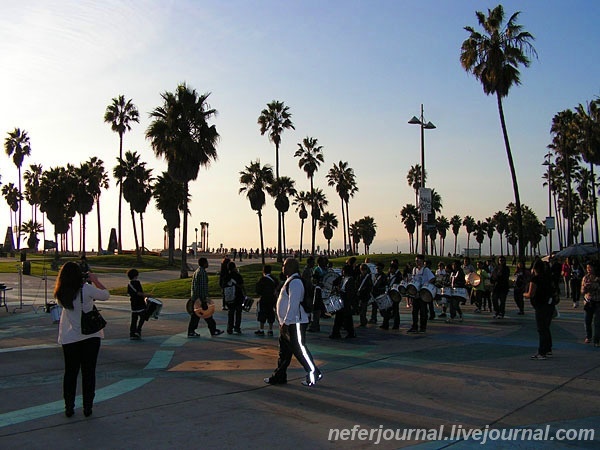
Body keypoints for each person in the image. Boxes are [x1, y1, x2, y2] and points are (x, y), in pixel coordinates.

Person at [55, 261, 109, 418]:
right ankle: (87, 407)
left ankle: (69, 407)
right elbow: (105, 295)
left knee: (70, 373)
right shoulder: (86, 289)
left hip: (69, 338)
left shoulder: (60, 292)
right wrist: (95, 280)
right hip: (90, 337)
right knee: (88, 372)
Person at [264, 258, 322, 387]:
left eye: (284, 265)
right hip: (288, 323)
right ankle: (279, 376)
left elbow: (293, 304)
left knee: (300, 350)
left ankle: (314, 373)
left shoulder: (295, 283)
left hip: (295, 323)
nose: (282, 267)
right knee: (284, 352)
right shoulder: (290, 281)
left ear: (290, 267)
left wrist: (286, 322)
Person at [524, 259, 554, 360]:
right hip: (549, 305)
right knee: (546, 328)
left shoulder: (535, 279)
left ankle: (542, 352)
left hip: (540, 306)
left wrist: (523, 294)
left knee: (541, 329)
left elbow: (530, 294)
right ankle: (548, 349)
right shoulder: (548, 278)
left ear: (534, 268)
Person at [188, 257, 224, 338]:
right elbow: (202, 287)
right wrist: (203, 300)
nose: (208, 264)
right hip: (200, 299)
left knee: (199, 316)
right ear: (204, 263)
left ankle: (194, 331)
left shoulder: (197, 271)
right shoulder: (202, 273)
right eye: (207, 262)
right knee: (205, 315)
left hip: (196, 298)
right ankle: (212, 330)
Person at [407, 255, 435, 334]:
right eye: (416, 260)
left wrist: (426, 285)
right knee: (414, 311)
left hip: (422, 293)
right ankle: (414, 326)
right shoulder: (414, 270)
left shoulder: (426, 270)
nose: (417, 262)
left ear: (422, 261)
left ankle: (423, 327)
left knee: (423, 311)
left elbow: (432, 278)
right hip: (415, 293)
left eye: (418, 260)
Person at [330, 264, 357, 339]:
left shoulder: (350, 280)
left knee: (345, 318)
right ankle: (337, 332)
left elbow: (349, 292)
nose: (342, 272)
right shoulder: (343, 278)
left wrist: (341, 292)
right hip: (342, 301)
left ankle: (346, 333)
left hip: (346, 301)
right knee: (343, 318)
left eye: (343, 270)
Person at [581, 262, 600, 347]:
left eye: (590, 267)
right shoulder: (585, 278)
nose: (589, 269)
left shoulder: (598, 278)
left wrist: (593, 285)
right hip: (588, 302)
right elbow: (582, 290)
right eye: (587, 268)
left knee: (597, 322)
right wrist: (586, 287)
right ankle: (588, 336)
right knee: (587, 320)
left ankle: (597, 340)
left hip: (597, 301)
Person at [255, 265, 277, 336]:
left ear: (263, 271)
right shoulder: (274, 279)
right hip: (272, 298)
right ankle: (270, 329)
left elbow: (258, 290)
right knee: (271, 313)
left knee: (262, 313)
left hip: (264, 299)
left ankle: (261, 329)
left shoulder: (262, 279)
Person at [224, 261, 244, 334]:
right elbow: (241, 285)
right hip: (238, 295)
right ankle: (237, 327)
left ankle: (230, 327)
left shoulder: (226, 276)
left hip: (229, 296)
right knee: (238, 312)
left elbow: (223, 285)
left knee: (231, 312)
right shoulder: (238, 276)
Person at [126, 269, 147, 340]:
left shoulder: (129, 284)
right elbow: (139, 293)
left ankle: (132, 334)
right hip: (140, 302)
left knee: (134, 319)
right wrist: (147, 295)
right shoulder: (137, 282)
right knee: (143, 316)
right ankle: (138, 330)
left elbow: (129, 293)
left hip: (133, 303)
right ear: (136, 275)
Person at [381, 260, 402, 330]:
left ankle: (396, 325)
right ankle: (385, 324)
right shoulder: (388, 275)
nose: (389, 270)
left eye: (391, 269)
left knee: (395, 310)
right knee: (387, 309)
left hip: (395, 294)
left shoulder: (398, 276)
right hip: (388, 294)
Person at [357, 263, 374, 327]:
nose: (362, 271)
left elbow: (369, 287)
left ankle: (363, 322)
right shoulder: (360, 276)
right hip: (360, 295)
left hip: (365, 296)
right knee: (361, 309)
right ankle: (364, 320)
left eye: (363, 269)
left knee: (363, 309)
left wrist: (362, 291)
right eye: (361, 269)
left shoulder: (368, 277)